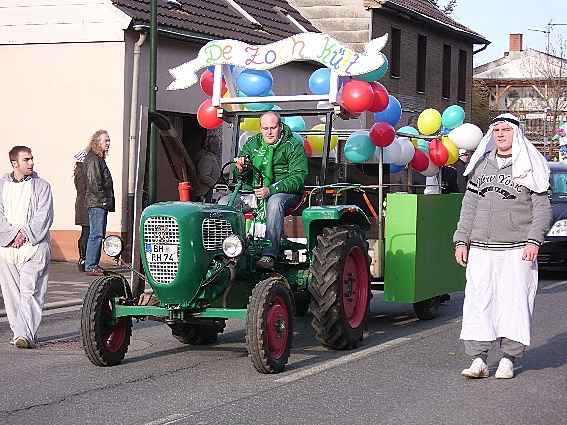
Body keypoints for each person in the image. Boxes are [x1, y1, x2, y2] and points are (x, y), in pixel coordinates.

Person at [453, 113, 552, 379]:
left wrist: (534, 239)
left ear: (516, 134)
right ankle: (479, 359)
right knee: (478, 302)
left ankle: (509, 358)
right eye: (496, 130)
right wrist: (461, 239)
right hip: (482, 249)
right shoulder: (482, 165)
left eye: (505, 130)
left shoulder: (530, 166)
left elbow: (542, 209)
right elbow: (469, 206)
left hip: (516, 249)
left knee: (514, 304)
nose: (500, 134)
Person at [234, 111, 308, 270]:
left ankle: (269, 254)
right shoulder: (252, 144)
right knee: (226, 203)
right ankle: (231, 250)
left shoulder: (292, 145)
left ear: (280, 127)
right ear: (260, 128)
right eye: (265, 128)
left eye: (273, 128)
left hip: (285, 192)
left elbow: (298, 178)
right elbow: (239, 176)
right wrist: (240, 169)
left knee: (274, 202)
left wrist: (271, 189)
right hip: (254, 190)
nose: (269, 132)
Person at [0, 146, 53, 348]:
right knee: (11, 294)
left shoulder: (42, 186)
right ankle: (19, 333)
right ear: (15, 163)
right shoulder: (2, 185)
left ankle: (25, 334)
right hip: (7, 248)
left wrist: (25, 234)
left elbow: (44, 214)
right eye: (26, 160)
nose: (31, 163)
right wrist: (12, 236)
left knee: (30, 291)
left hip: (34, 246)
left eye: (32, 159)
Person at [84, 130, 114, 277]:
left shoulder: (98, 159)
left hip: (99, 202)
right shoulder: (94, 159)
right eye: (105, 141)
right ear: (97, 142)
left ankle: (92, 264)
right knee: (96, 234)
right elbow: (95, 183)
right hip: (97, 203)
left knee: (97, 233)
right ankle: (91, 265)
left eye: (108, 140)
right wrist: (103, 201)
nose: (108, 143)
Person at [74, 150, 89, 271]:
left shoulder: (78, 172)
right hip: (86, 205)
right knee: (87, 233)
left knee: (85, 233)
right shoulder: (84, 172)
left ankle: (83, 258)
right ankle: (83, 258)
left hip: (81, 205)